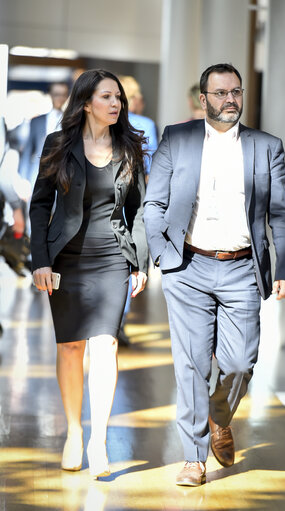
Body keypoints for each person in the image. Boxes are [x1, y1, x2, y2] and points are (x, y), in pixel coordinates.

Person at [144, 63, 285, 486]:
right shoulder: (178, 138)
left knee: (240, 362)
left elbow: (281, 214)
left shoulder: (266, 146)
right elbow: (153, 204)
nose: (230, 99)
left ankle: (219, 414)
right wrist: (161, 254)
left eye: (236, 91)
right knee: (191, 365)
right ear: (203, 98)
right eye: (221, 93)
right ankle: (194, 458)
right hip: (188, 267)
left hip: (243, 268)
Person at [29, 69, 148, 478]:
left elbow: (138, 210)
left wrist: (140, 261)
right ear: (85, 103)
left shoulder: (129, 147)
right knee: (70, 348)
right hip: (65, 259)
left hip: (113, 257)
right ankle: (73, 433)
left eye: (118, 97)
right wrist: (39, 259)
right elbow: (40, 205)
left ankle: (98, 440)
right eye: (106, 97)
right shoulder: (58, 145)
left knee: (105, 346)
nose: (116, 103)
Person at [118, 75, 158, 345]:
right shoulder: (145, 125)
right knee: (128, 256)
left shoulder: (109, 126)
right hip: (135, 197)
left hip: (112, 198)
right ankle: (119, 321)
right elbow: (151, 167)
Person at [19, 82, 70, 188]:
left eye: (63, 94)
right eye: (56, 94)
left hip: (63, 172)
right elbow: (28, 150)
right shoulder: (37, 121)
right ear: (50, 94)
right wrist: (23, 179)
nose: (59, 98)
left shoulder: (70, 121)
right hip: (37, 171)